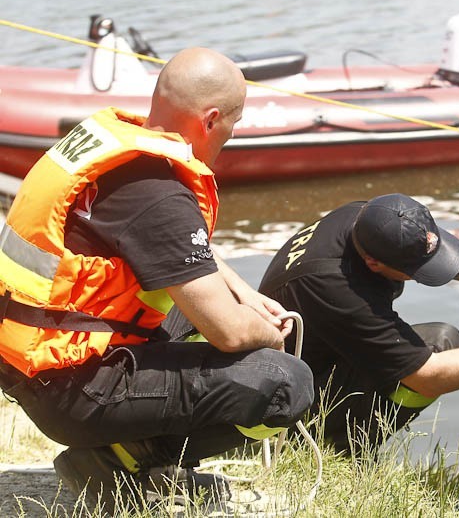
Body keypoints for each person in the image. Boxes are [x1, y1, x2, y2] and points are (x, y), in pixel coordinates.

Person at [0, 48, 313, 512]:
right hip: (71, 391)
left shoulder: (117, 144)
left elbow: (169, 248)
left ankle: (122, 447)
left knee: (204, 309)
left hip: (39, 362)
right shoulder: (155, 191)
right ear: (210, 121)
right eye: (234, 121)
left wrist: (246, 294)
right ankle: (130, 459)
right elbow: (227, 332)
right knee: (286, 381)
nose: (232, 131)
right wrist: (270, 334)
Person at [258, 193, 459, 453]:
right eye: (416, 270)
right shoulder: (338, 288)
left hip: (332, 349)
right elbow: (427, 377)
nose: (428, 272)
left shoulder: (383, 220)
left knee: (438, 344)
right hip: (289, 400)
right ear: (374, 264)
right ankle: (342, 445)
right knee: (443, 344)